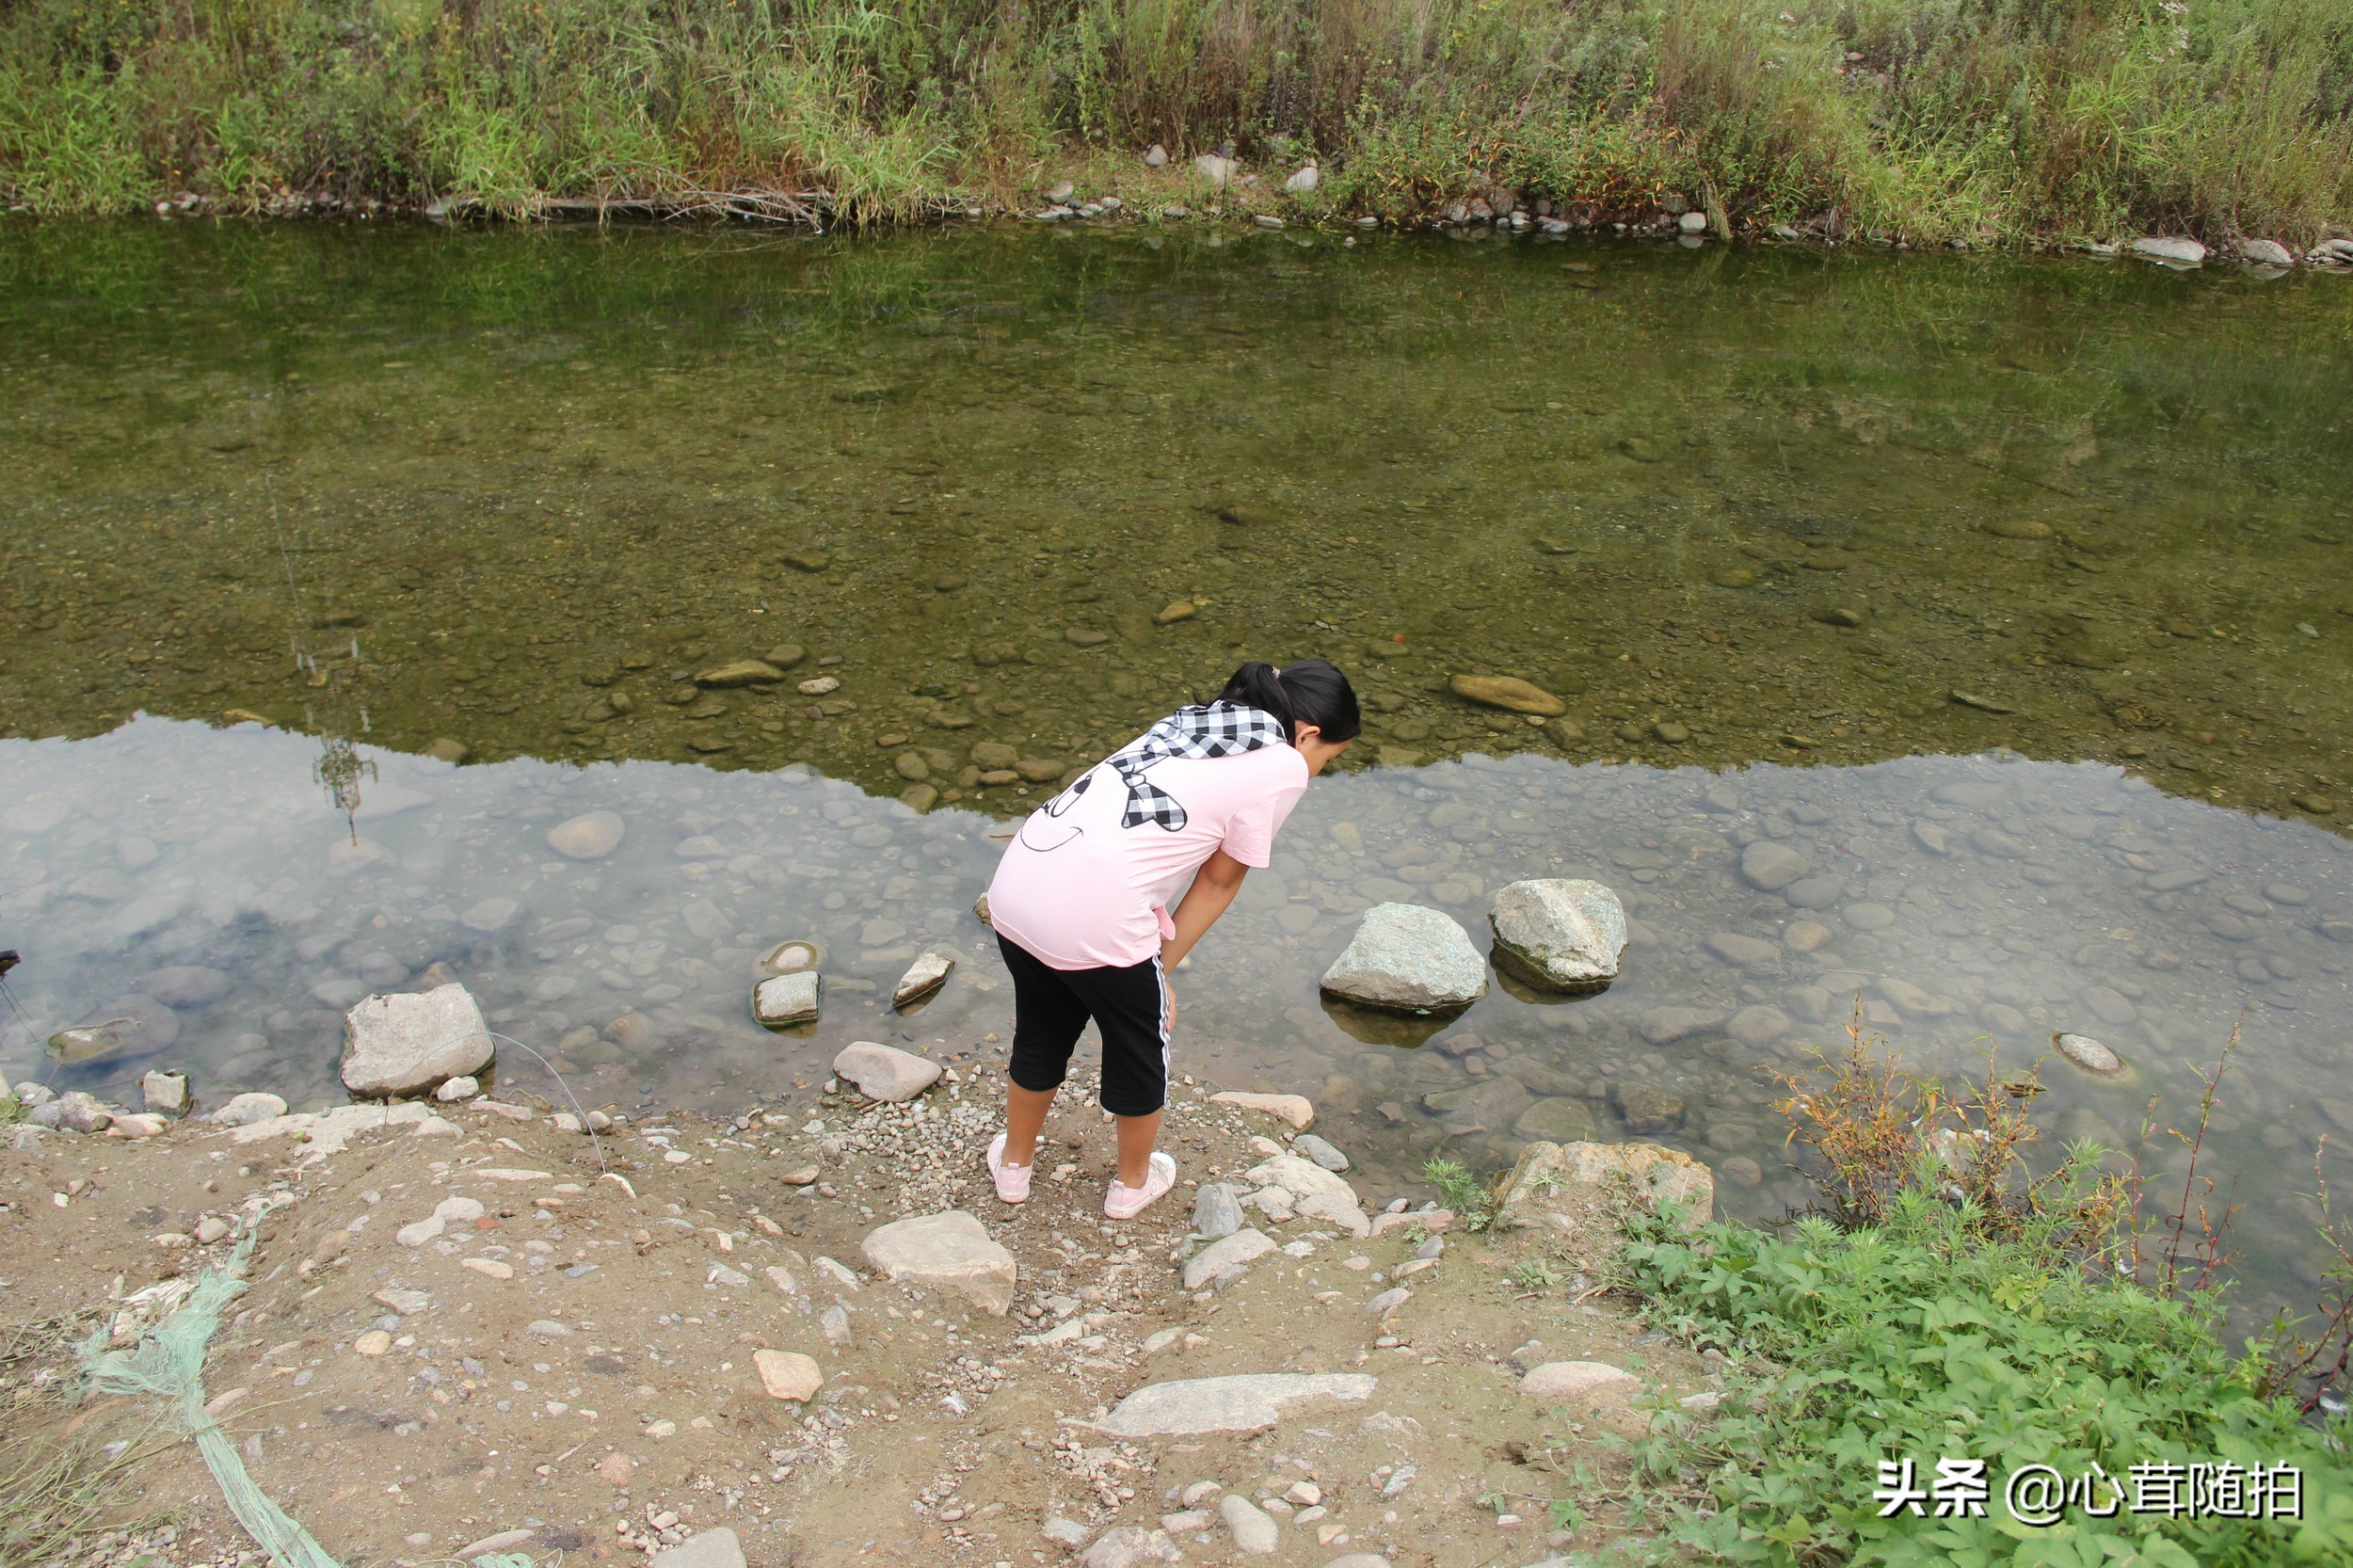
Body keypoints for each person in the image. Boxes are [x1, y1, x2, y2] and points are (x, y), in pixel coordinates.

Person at [980, 659, 1360, 1219]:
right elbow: (1219, 879)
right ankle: (1132, 1184)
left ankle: (1014, 1166)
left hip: (1016, 890)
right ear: (1309, 734)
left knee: (1042, 1031)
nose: (1319, 770)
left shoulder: (1197, 722)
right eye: (1329, 758)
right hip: (1097, 916)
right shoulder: (1282, 763)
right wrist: (1160, 968)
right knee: (1139, 1047)